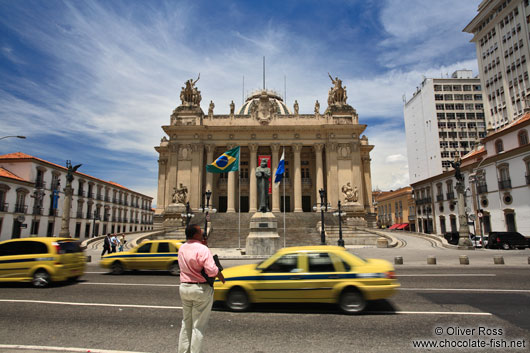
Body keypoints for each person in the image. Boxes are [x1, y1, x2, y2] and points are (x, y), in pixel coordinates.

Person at [178, 224, 225, 353]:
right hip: (200, 289)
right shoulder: (202, 249)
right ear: (195, 234)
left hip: (184, 287)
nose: (203, 232)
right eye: (200, 231)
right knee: (198, 327)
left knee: (186, 324)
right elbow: (211, 270)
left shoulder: (181, 248)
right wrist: (220, 275)